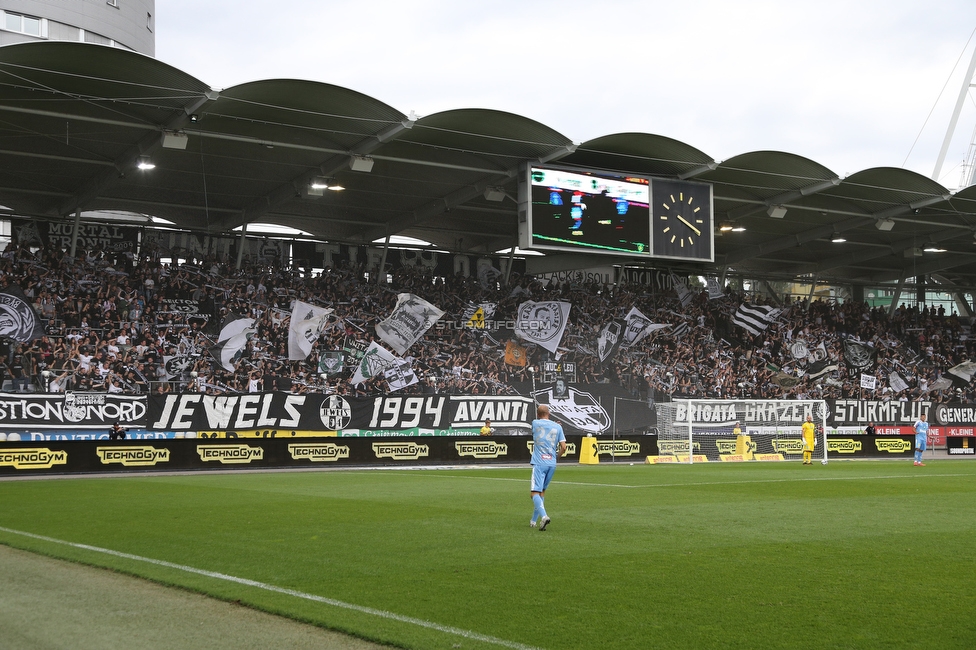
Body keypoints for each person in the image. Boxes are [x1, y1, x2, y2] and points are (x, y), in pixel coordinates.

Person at [529, 404, 566, 532]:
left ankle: (544, 516)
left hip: (540, 462)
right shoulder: (558, 427)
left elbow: (537, 426)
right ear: (549, 413)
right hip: (552, 463)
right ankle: (533, 521)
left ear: (538, 415)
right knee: (542, 492)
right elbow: (564, 447)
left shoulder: (535, 423)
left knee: (534, 493)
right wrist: (557, 457)